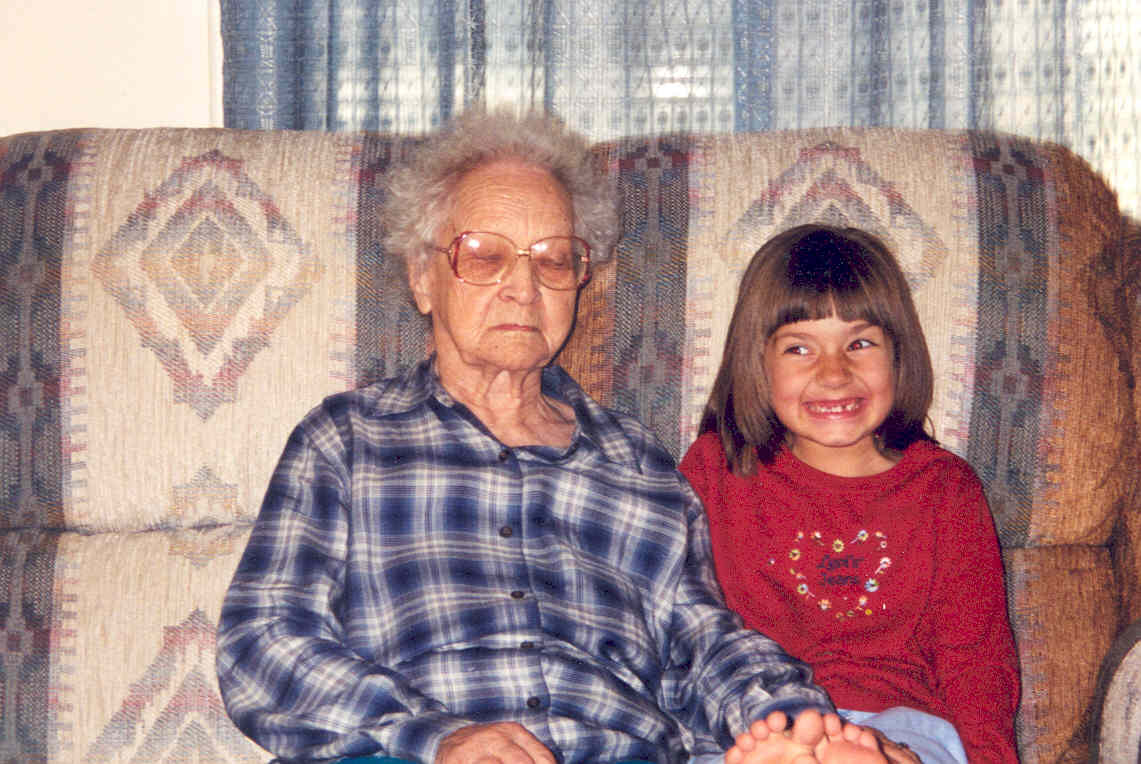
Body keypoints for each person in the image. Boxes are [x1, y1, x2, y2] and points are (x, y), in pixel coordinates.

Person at [215, 110, 889, 764]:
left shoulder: (635, 462)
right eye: (484, 256)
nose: (523, 287)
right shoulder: (347, 440)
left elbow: (703, 643)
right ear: (422, 279)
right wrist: (435, 735)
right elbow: (263, 642)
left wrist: (792, 725)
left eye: (554, 260)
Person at [678, 225, 1021, 764]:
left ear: (898, 354)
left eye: (859, 344)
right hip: (759, 720)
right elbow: (674, 620)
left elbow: (976, 661)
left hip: (905, 724)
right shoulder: (715, 470)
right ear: (757, 363)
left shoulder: (944, 489)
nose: (834, 374)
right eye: (799, 348)